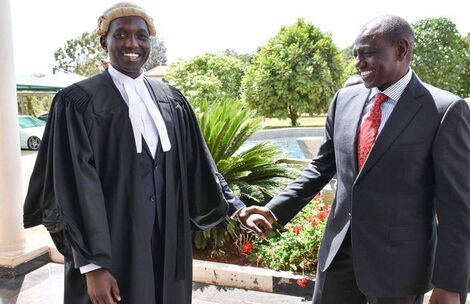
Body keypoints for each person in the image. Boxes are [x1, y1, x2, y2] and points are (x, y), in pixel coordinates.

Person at [23, 3, 269, 304]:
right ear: (105, 41)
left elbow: (199, 164)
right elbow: (70, 184)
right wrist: (92, 266)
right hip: (112, 244)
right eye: (122, 35)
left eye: (141, 36)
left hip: (167, 240)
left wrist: (236, 208)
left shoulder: (171, 100)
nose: (132, 44)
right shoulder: (78, 102)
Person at [244, 15, 470, 304]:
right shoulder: (344, 100)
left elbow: (457, 207)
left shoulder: (444, 110)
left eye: (368, 53)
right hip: (338, 259)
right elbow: (322, 166)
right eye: (356, 55)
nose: (358, 63)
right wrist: (273, 210)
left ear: (401, 50)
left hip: (399, 269)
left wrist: (449, 284)